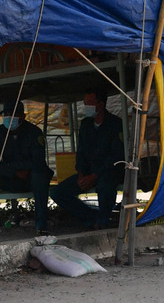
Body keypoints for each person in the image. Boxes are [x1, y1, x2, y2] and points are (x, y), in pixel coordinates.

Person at [49, 87, 124, 229]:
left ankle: (103, 220)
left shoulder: (115, 124)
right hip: (88, 172)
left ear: (101, 104)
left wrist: (94, 176)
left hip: (108, 172)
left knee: (105, 186)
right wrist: (82, 175)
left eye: (90, 103)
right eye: (85, 103)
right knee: (58, 192)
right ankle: (91, 216)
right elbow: (81, 152)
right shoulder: (86, 124)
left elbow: (116, 157)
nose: (86, 107)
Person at [0, 100, 53, 234]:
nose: (9, 118)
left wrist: (22, 169)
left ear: (22, 117)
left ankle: (41, 224)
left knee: (40, 175)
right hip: (10, 177)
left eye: (12, 114)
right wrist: (13, 171)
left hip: (30, 178)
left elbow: (38, 160)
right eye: (6, 115)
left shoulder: (34, 132)